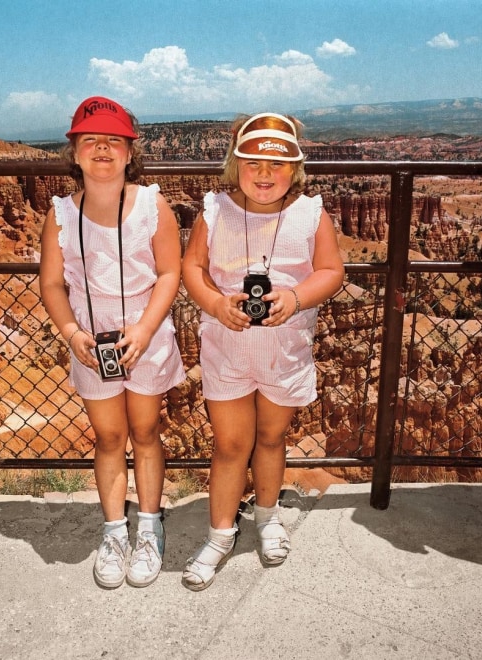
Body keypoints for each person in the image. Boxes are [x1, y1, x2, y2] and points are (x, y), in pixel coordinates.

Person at [180, 112, 344, 590]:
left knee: (271, 440)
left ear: (295, 169)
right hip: (227, 350)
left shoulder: (310, 215)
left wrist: (294, 298)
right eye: (253, 163)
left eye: (277, 165)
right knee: (230, 445)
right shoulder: (215, 211)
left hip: (284, 349)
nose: (265, 174)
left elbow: (331, 271)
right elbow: (193, 267)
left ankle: (267, 518)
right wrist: (214, 301)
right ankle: (219, 534)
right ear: (236, 164)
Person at [39, 96, 185, 589]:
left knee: (145, 433)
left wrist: (143, 329)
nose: (102, 148)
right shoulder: (60, 215)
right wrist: (71, 333)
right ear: (75, 154)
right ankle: (114, 531)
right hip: (91, 344)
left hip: (145, 339)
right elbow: (53, 284)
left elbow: (169, 272)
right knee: (107, 438)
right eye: (90, 140)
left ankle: (148, 527)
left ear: (129, 153)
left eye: (113, 141)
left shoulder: (152, 204)